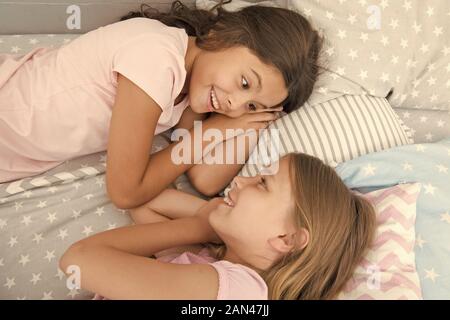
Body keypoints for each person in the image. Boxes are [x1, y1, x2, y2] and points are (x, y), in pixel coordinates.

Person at [0, 1, 324, 211]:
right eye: (244, 83)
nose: (235, 104)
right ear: (224, 35)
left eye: (252, 105)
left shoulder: (191, 88)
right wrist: (212, 132)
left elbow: (204, 179)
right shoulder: (157, 59)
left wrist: (247, 125)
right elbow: (125, 192)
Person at [60, 153, 376, 300]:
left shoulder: (237, 292)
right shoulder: (214, 268)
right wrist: (215, 219)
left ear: (286, 238)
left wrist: (201, 226)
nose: (240, 179)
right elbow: (144, 202)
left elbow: (78, 259)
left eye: (263, 184)